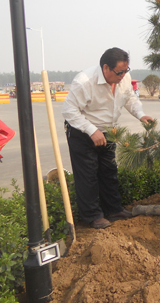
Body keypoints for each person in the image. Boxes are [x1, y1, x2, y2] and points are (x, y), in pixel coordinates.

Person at [62, 48, 153, 229]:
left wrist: (141, 115)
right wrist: (91, 130)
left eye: (125, 71)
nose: (123, 76)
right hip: (82, 133)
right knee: (88, 176)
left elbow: (130, 99)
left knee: (109, 172)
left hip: (108, 132)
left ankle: (113, 210)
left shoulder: (123, 78)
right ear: (105, 68)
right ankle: (93, 216)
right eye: (119, 72)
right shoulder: (84, 82)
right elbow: (69, 111)